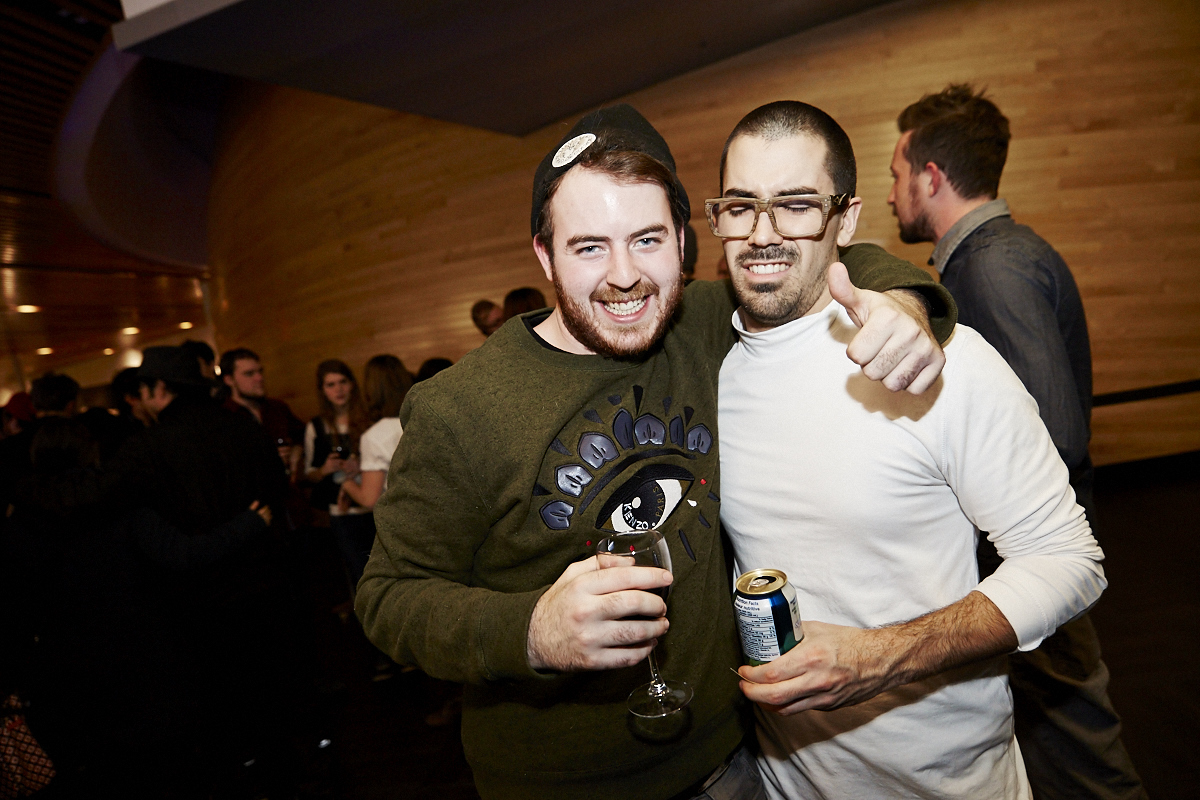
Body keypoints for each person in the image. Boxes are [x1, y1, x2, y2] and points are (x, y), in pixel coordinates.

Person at [356, 104, 954, 800]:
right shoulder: (461, 409)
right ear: (544, 254)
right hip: (560, 785)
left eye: (646, 239)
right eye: (588, 247)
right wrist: (531, 630)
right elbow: (388, 599)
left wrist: (907, 301)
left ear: (682, 239)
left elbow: (823, 263)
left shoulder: (701, 323)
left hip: (729, 761)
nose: (624, 277)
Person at [711, 100, 1107, 799]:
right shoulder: (704, 368)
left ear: (847, 218)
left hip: (947, 782)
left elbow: (1068, 561)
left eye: (796, 205)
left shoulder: (937, 360)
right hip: (784, 783)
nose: (763, 233)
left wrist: (880, 658)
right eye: (741, 206)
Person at [888, 84, 1145, 800]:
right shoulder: (996, 256)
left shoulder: (991, 269)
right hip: (1022, 558)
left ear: (931, 178)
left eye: (895, 174)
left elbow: (1053, 437)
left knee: (1087, 759)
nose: (890, 194)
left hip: (1027, 560)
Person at [335, 354, 413, 585]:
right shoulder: (424, 418)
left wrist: (343, 480)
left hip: (407, 529)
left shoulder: (375, 436)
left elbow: (370, 499)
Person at [220, 347, 306, 477]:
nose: (259, 378)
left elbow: (303, 435)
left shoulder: (277, 408)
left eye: (260, 371)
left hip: (288, 491)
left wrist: (296, 451)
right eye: (249, 374)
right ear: (229, 380)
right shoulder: (223, 417)